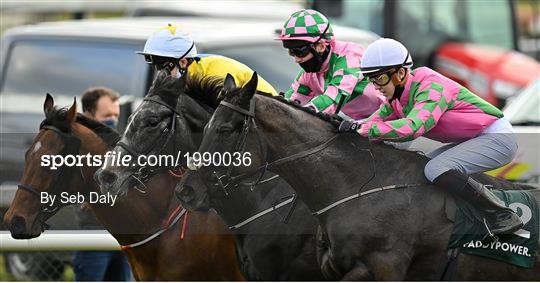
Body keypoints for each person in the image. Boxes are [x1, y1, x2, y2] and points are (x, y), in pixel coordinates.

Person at [339, 38, 522, 235]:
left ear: (400, 73)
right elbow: (372, 123)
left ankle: (502, 214)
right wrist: (341, 126)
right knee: (420, 168)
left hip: (498, 138)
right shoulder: (396, 97)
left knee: (435, 168)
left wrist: (363, 129)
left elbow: (414, 127)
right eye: (371, 79)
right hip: (475, 138)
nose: (376, 86)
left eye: (380, 78)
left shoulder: (430, 86)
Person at [275, 9, 385, 120]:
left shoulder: (349, 55)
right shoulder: (309, 74)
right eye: (291, 52)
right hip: (365, 122)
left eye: (299, 52)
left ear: (321, 46)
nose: (296, 60)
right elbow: (291, 101)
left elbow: (333, 99)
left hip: (393, 117)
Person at [73, 87, 132, 281]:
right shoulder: (75, 149)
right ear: (88, 114)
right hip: (94, 240)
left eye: (115, 115)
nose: (112, 120)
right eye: (107, 115)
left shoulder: (122, 145)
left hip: (124, 240)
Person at [138, 24, 277, 96]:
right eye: (156, 67)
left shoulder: (212, 76)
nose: (160, 74)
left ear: (183, 62)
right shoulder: (191, 71)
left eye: (164, 67)